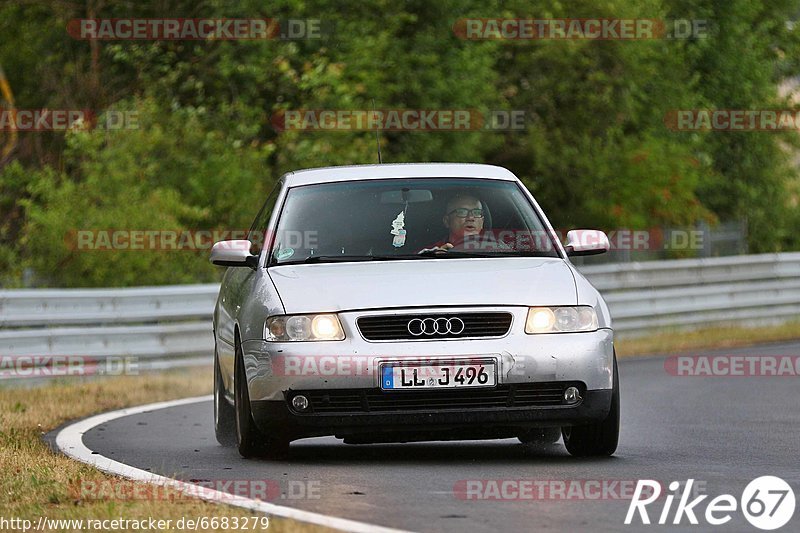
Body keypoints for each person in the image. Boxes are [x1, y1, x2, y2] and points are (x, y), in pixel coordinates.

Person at [419, 194, 490, 253]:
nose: (471, 218)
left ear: (482, 221)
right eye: (462, 212)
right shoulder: (431, 251)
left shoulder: (497, 249)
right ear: (446, 221)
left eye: (476, 212)